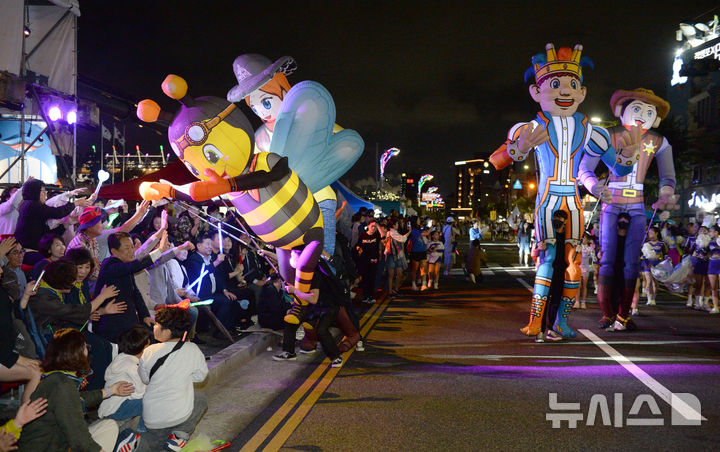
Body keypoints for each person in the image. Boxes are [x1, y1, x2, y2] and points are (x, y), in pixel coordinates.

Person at [489, 43, 640, 338]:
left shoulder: (590, 130)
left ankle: (561, 322)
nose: (565, 91)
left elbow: (618, 169)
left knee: (573, 261)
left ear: (582, 93)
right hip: (547, 199)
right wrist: (519, 148)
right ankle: (536, 321)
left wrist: (628, 157)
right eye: (555, 84)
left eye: (573, 84)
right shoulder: (531, 126)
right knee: (549, 257)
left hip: (572, 200)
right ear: (536, 92)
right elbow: (496, 160)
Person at [588, 88, 677, 332]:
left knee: (631, 262)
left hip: (637, 205)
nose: (642, 115)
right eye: (636, 108)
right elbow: (585, 168)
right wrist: (593, 186)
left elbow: (668, 177)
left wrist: (665, 194)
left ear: (656, 119)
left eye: (649, 111)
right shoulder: (607, 135)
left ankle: (623, 315)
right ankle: (607, 313)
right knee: (607, 260)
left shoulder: (659, 141)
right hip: (611, 202)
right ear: (620, 111)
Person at [18, 328, 136, 452]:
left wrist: (111, 391)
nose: (87, 352)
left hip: (50, 442)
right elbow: (79, 439)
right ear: (76, 353)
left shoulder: (56, 378)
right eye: (85, 348)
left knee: (108, 426)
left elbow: (76, 399)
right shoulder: (63, 385)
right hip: (49, 447)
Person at [27, 258, 122, 390]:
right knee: (96, 348)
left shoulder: (50, 291)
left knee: (104, 346)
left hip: (58, 332)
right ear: (62, 281)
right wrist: (103, 296)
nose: (75, 281)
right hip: (46, 340)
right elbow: (74, 311)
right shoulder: (44, 298)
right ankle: (92, 391)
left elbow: (75, 312)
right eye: (72, 279)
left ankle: (100, 388)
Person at [93, 232, 193, 343]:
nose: (132, 251)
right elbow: (137, 264)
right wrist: (159, 250)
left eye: (132, 247)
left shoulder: (125, 265)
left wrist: (144, 315)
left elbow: (136, 294)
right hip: (112, 325)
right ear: (114, 251)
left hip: (129, 320)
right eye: (127, 248)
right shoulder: (110, 265)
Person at [137, 306, 208, 452]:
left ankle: (143, 444)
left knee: (152, 443)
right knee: (200, 399)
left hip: (152, 420)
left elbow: (145, 379)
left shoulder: (149, 351)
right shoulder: (192, 349)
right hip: (180, 417)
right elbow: (201, 376)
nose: (154, 326)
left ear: (167, 331)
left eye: (157, 324)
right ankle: (179, 436)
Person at [274, 260, 344, 367]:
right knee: (291, 320)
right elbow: (282, 259)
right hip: (313, 307)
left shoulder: (314, 274)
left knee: (321, 330)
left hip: (328, 306)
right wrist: (264, 252)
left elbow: (314, 299)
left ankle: (336, 357)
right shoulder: (303, 268)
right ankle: (289, 352)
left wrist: (295, 291)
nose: (292, 258)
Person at [67, 201, 152, 284]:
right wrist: (139, 214)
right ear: (90, 226)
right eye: (100, 223)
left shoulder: (93, 239)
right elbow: (123, 229)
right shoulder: (80, 246)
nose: (103, 226)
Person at [14, 180, 90, 265]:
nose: (45, 194)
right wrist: (76, 203)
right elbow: (57, 213)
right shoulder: (31, 205)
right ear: (35, 192)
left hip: (33, 249)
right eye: (43, 191)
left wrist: (68, 222)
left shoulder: (30, 205)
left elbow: (48, 232)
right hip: (29, 251)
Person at [184, 234, 240, 336]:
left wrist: (224, 290)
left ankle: (230, 328)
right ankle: (219, 332)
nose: (210, 246)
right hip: (200, 295)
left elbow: (217, 277)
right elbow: (202, 273)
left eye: (211, 244)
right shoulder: (194, 259)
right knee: (226, 302)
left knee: (233, 300)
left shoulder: (210, 258)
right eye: (208, 244)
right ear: (199, 246)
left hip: (213, 292)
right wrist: (217, 262)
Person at [0, 263, 41, 404]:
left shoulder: (1, 292)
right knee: (36, 371)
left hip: (5, 353)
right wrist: (18, 359)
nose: (1, 271)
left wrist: (26, 295)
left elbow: (11, 314)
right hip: (4, 356)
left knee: (39, 368)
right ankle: (25, 420)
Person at [98, 325, 151, 431]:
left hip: (108, 407)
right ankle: (141, 431)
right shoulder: (132, 366)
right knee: (150, 400)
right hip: (117, 408)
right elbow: (139, 393)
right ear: (144, 347)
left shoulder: (121, 357)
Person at [639, 226, 666, 309]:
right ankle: (649, 299)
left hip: (657, 265)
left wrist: (666, 259)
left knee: (655, 283)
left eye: (651, 232)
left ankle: (653, 298)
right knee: (649, 281)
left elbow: (665, 255)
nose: (649, 234)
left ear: (656, 233)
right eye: (649, 233)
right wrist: (644, 260)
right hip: (647, 264)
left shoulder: (662, 244)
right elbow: (642, 255)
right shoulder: (646, 244)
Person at [356, 218, 381, 302]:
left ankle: (371, 296)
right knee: (365, 278)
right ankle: (366, 296)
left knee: (372, 278)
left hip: (373, 260)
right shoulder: (362, 235)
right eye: (372, 226)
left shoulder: (376, 236)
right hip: (364, 260)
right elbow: (358, 245)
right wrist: (359, 249)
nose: (373, 228)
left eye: (375, 226)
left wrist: (378, 226)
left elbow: (383, 236)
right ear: (368, 226)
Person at [384, 218, 409, 296]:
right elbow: (403, 239)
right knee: (393, 274)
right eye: (397, 224)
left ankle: (394, 289)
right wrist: (409, 232)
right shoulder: (391, 232)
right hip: (392, 255)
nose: (398, 225)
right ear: (393, 225)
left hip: (394, 255)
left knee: (397, 273)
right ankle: (391, 290)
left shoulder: (394, 232)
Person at [407, 217, 428, 291]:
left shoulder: (419, 229)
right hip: (415, 251)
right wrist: (432, 227)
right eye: (418, 220)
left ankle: (424, 284)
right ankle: (413, 284)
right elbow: (425, 234)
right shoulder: (413, 231)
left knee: (423, 268)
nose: (419, 221)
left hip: (422, 250)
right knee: (415, 269)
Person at [575, 233, 595, 309]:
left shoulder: (590, 249)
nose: (583, 240)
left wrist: (592, 254)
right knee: (578, 286)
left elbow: (593, 259)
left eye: (584, 238)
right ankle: (577, 301)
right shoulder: (578, 247)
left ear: (588, 240)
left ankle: (583, 302)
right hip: (578, 268)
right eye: (582, 238)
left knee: (584, 286)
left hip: (586, 269)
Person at [707, 225, 720, 314]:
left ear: (716, 232)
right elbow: (708, 253)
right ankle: (715, 307)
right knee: (713, 287)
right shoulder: (710, 242)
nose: (709, 233)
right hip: (712, 264)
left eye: (711, 231)